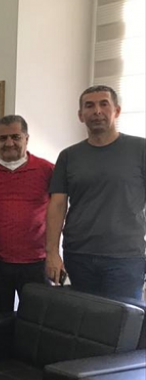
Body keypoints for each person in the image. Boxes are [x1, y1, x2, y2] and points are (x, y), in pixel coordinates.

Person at [46, 85, 146, 302]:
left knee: (123, 319)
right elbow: (57, 205)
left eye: (104, 104)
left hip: (126, 258)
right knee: (83, 319)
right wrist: (52, 253)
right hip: (78, 255)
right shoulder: (68, 156)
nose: (97, 111)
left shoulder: (140, 149)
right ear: (81, 115)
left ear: (116, 111)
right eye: (89, 106)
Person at [0, 115, 54, 312]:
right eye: (3, 138)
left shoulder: (47, 170)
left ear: (26, 138)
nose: (9, 143)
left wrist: (54, 253)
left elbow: (59, 210)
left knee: (37, 319)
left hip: (36, 262)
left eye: (15, 137)